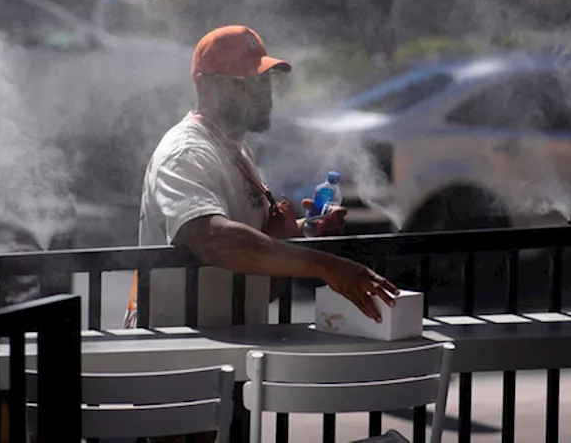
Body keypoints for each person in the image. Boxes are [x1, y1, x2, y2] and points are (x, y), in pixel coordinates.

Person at [126, 25, 398, 331]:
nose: (263, 91)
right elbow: (214, 240)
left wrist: (299, 234)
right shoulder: (186, 152)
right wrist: (327, 266)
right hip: (177, 355)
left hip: (227, 344)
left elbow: (252, 264)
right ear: (206, 85)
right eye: (247, 82)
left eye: (266, 79)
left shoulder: (238, 150)